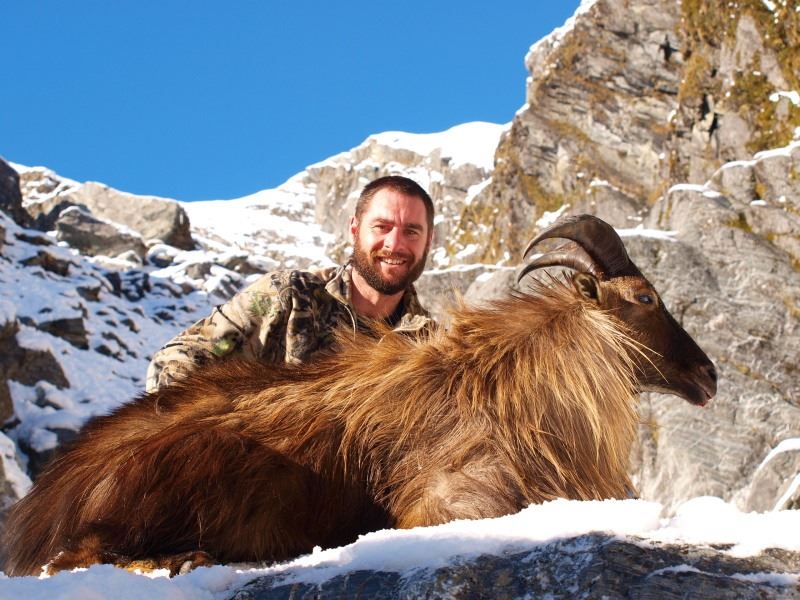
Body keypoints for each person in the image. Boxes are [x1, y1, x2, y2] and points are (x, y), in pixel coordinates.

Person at [145, 175, 435, 392]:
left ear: (428, 241)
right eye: (382, 227)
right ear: (355, 229)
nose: (395, 244)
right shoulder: (287, 296)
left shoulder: (431, 348)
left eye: (411, 231)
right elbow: (176, 360)